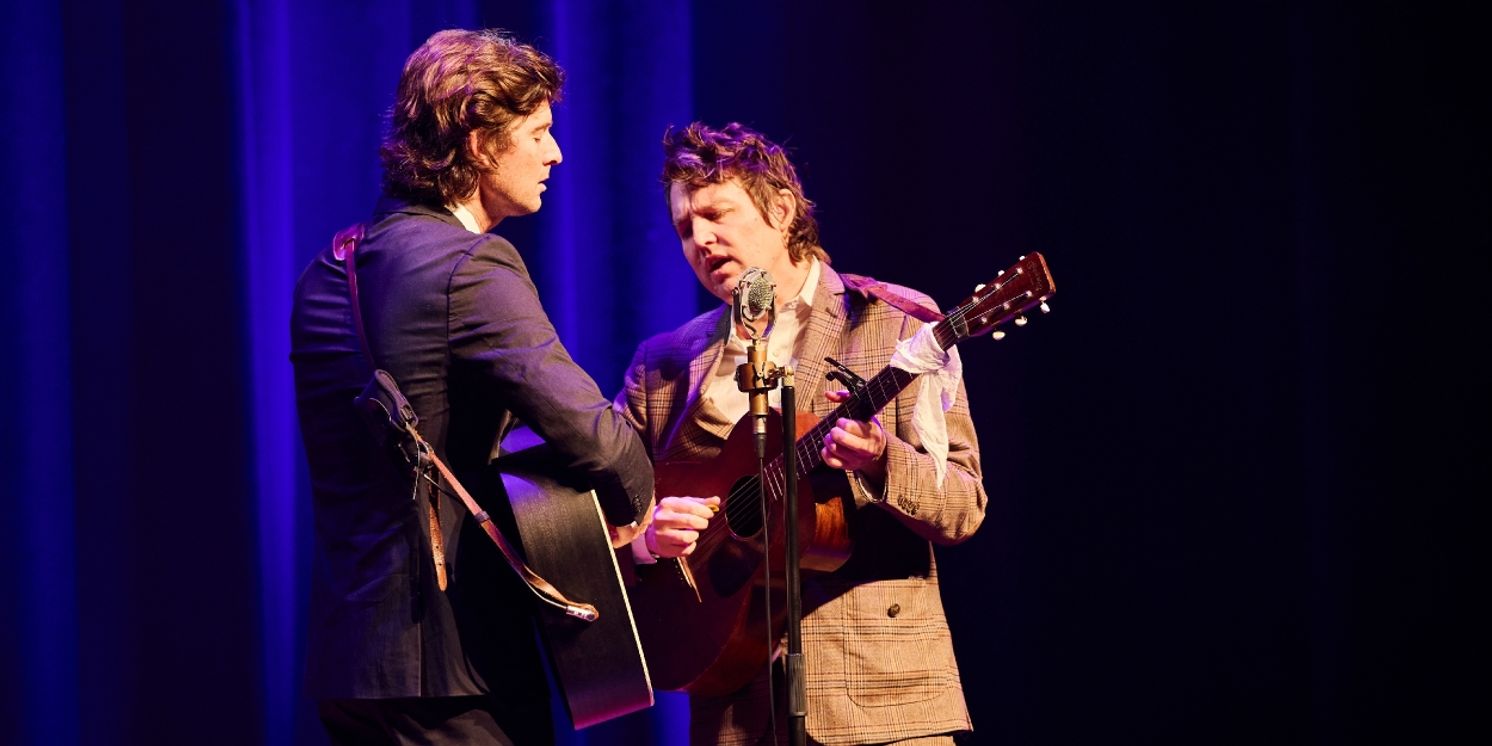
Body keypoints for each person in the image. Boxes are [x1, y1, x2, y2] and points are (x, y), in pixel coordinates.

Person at [290, 29, 653, 745]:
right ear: (481, 143)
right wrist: (636, 499)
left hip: (351, 667)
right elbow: (593, 437)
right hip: (455, 669)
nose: (555, 154)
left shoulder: (326, 273)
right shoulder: (473, 267)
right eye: (540, 131)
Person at [618, 122, 987, 744]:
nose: (701, 239)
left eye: (716, 214)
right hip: (732, 709)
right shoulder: (664, 364)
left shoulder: (900, 327)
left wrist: (881, 459)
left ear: (781, 209)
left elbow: (963, 507)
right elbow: (599, 518)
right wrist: (646, 540)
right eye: (685, 228)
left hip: (880, 702)